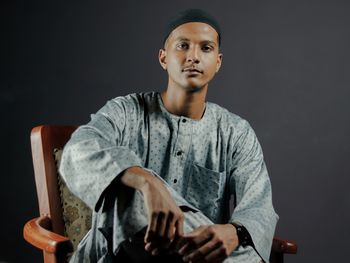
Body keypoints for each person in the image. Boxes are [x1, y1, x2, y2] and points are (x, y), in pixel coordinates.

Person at [60, 9, 278, 263]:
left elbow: (259, 206)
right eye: (182, 46)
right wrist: (146, 182)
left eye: (205, 48)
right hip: (119, 255)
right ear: (163, 58)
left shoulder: (235, 133)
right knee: (129, 191)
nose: (193, 57)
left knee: (238, 243)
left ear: (218, 62)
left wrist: (234, 231)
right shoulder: (126, 112)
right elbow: (78, 150)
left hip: (193, 257)